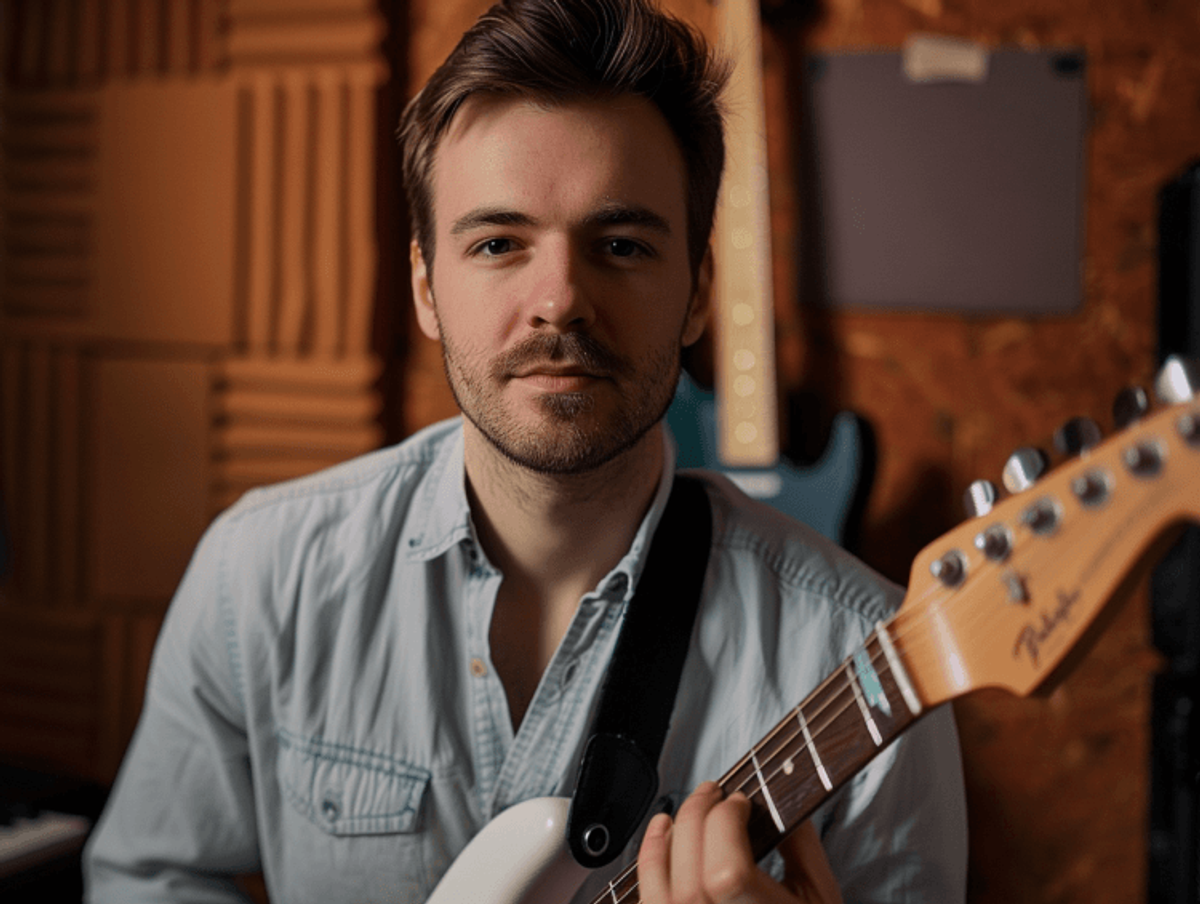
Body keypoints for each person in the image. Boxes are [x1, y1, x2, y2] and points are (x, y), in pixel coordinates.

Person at [84, 0, 968, 901]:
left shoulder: (868, 662)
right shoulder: (260, 574)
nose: (561, 301)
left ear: (700, 292)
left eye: (620, 244)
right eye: (500, 243)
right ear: (427, 287)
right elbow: (149, 876)